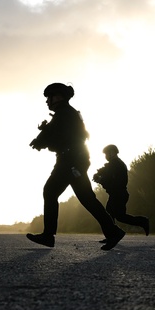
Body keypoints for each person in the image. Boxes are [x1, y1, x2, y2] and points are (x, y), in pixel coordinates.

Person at [27, 83, 126, 250]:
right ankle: (113, 231)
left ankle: (48, 235)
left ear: (58, 97)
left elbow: (59, 137)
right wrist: (42, 136)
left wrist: (42, 140)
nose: (47, 101)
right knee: (87, 199)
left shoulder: (65, 114)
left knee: (50, 191)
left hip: (70, 161)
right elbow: (55, 133)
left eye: (49, 97)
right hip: (72, 160)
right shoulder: (65, 114)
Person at [93, 144, 150, 239]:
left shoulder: (116, 165)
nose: (106, 156)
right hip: (115, 194)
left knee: (120, 216)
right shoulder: (114, 164)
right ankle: (111, 236)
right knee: (109, 215)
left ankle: (143, 221)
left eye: (106, 153)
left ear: (112, 153)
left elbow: (112, 181)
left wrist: (101, 180)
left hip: (119, 194)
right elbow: (105, 171)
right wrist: (99, 175)